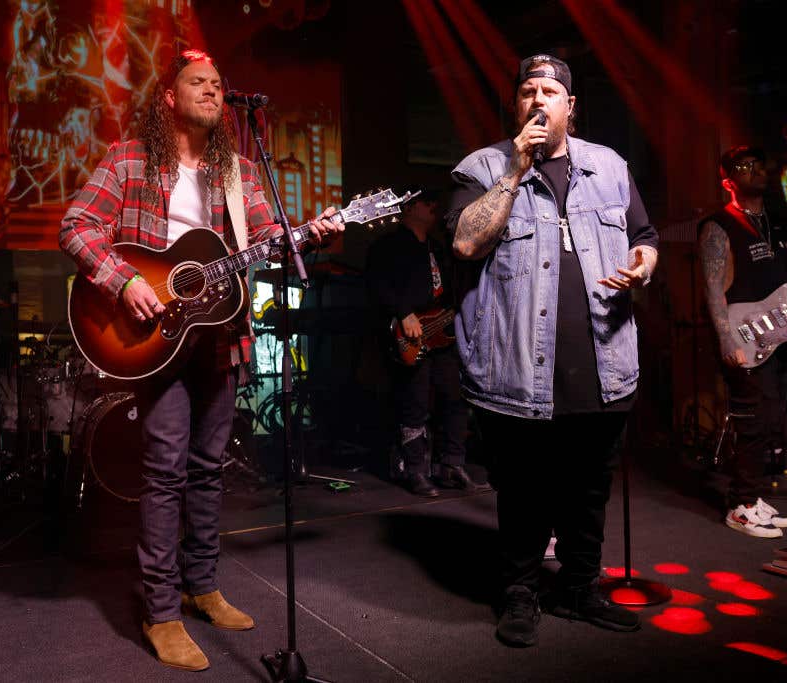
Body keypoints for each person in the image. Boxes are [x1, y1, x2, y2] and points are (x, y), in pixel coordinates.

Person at [59, 49, 343, 671]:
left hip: (218, 335)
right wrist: (125, 280)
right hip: (155, 341)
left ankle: (202, 585)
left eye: (219, 83)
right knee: (165, 471)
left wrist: (309, 233)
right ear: (169, 96)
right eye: (198, 82)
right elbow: (77, 226)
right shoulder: (131, 158)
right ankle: (160, 612)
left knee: (209, 466)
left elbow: (267, 243)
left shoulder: (238, 171)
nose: (213, 91)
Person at [447, 54, 658, 647]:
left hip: (603, 362)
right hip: (517, 371)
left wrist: (645, 264)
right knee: (524, 492)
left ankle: (580, 586)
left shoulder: (610, 167)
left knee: (590, 489)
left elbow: (644, 238)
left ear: (570, 105)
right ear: (515, 106)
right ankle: (519, 593)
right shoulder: (480, 167)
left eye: (550, 91)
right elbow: (465, 242)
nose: (538, 99)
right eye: (526, 92)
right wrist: (515, 170)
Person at [698, 145, 787, 539]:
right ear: (728, 180)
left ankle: (755, 497)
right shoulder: (718, 226)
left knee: (773, 421)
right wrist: (726, 340)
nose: (755, 170)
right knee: (752, 423)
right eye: (744, 166)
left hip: (778, 339)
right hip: (743, 339)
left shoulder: (775, 225)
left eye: (759, 163)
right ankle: (741, 506)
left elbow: (784, 288)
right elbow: (712, 290)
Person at [365, 189, 484, 497]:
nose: (434, 206)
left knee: (456, 398)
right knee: (414, 402)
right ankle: (415, 469)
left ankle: (452, 465)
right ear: (410, 207)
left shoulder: (437, 247)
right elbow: (375, 283)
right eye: (427, 202)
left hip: (441, 333)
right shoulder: (388, 245)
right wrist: (403, 313)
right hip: (410, 335)